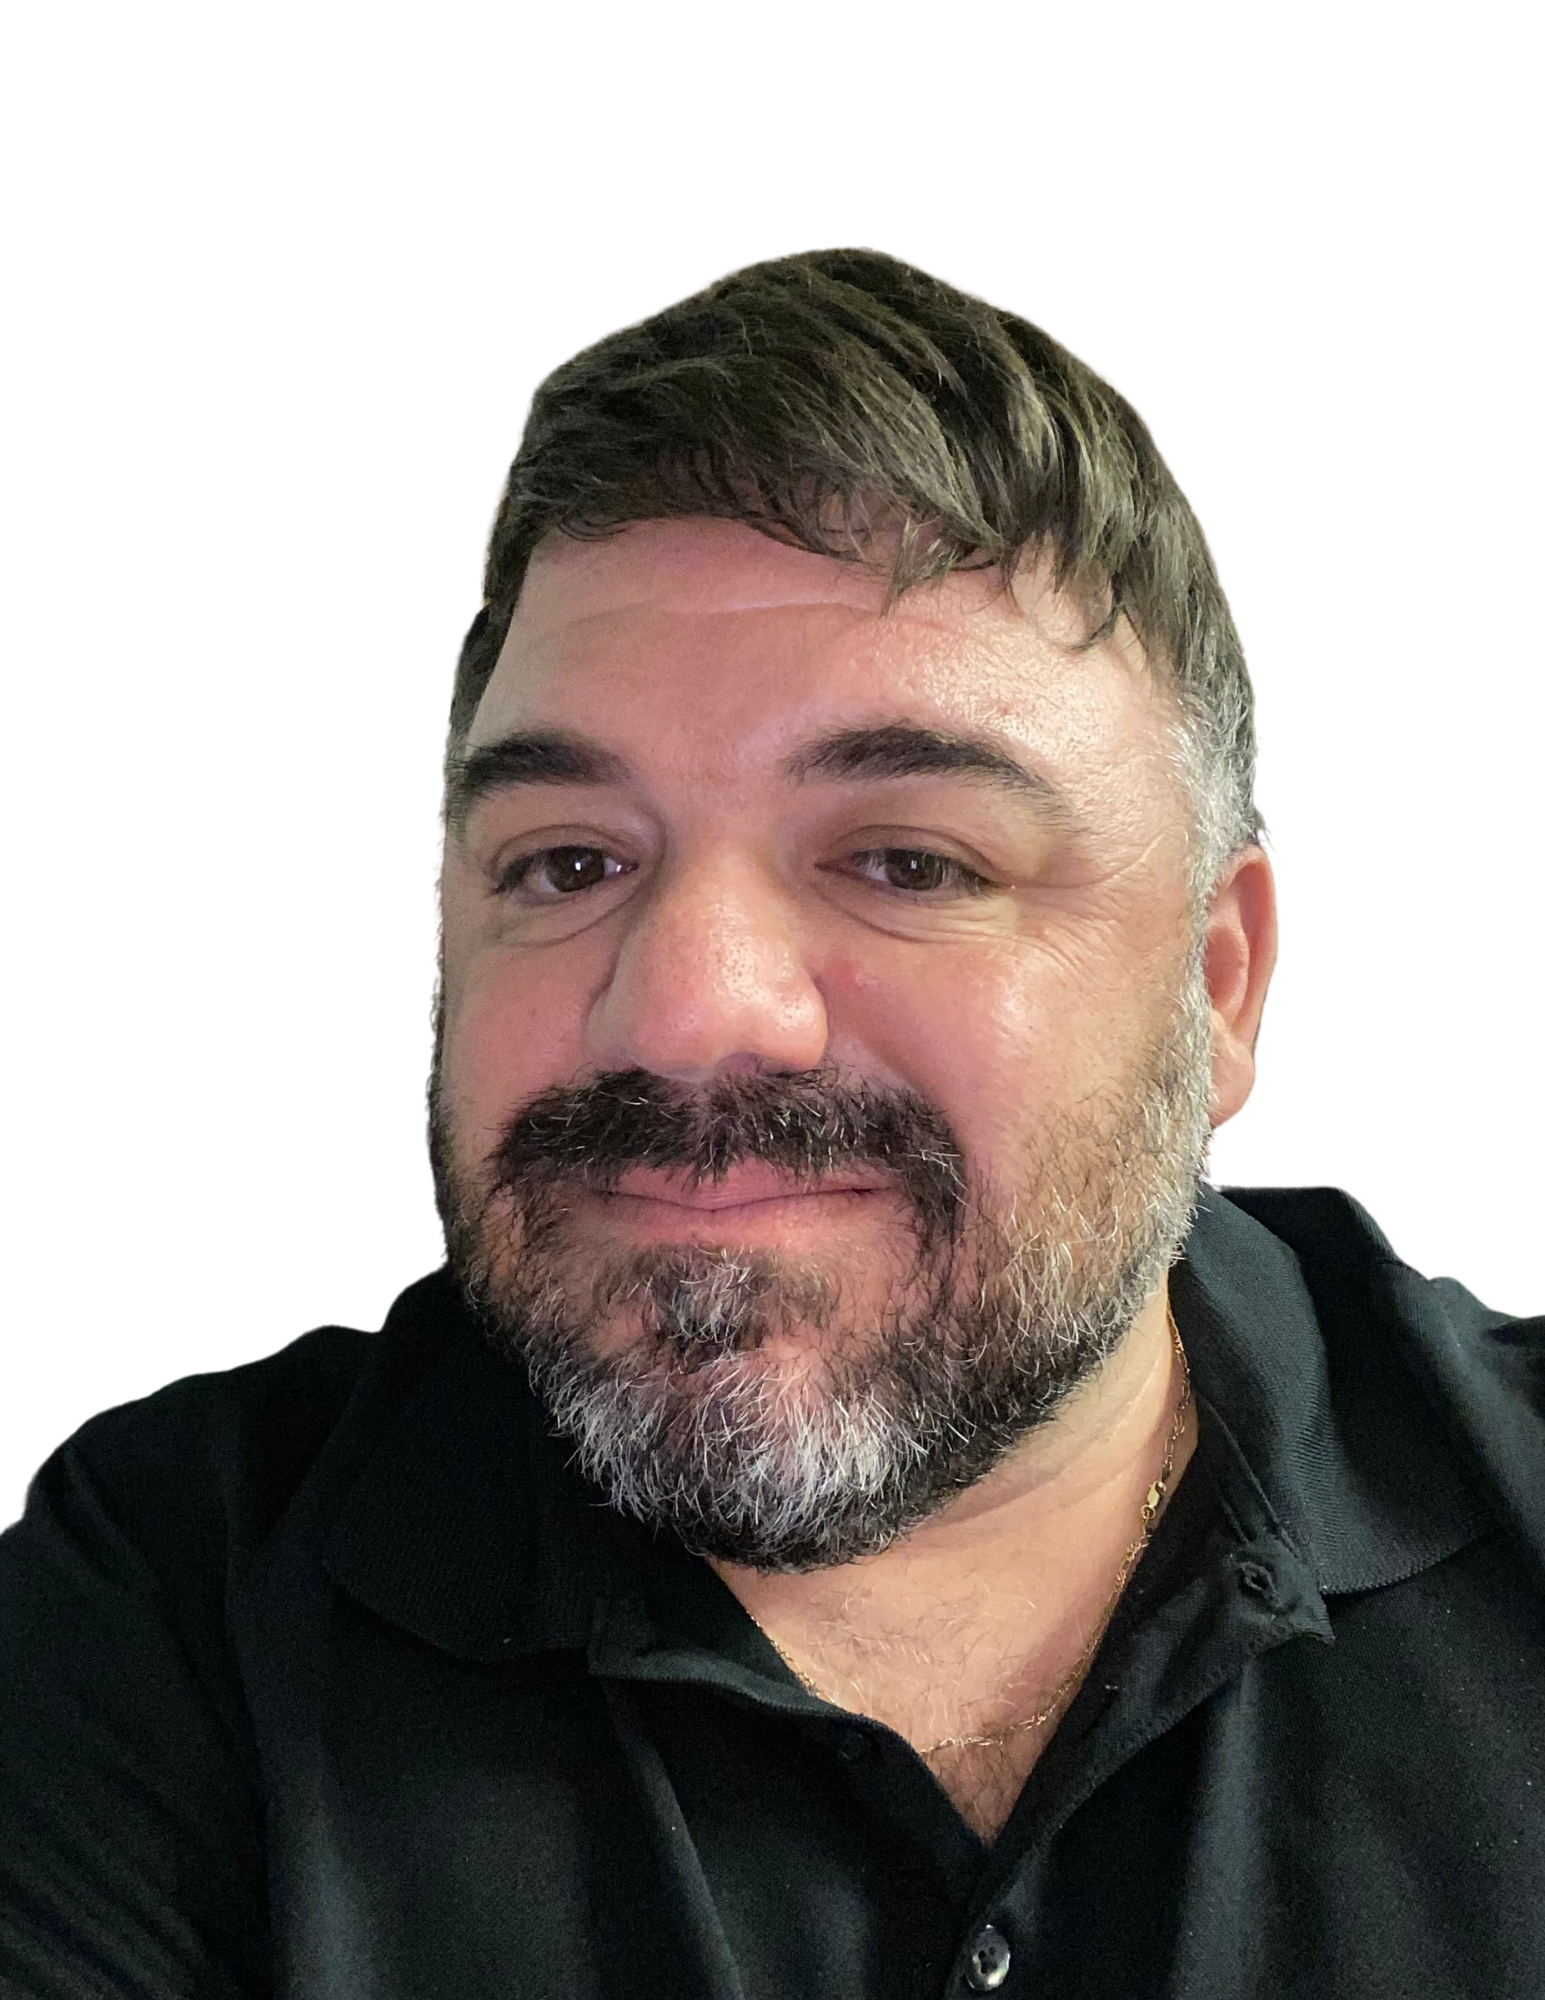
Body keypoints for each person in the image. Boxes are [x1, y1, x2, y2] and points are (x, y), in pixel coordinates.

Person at [2, 249, 1540, 2000]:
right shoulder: (167, 1618)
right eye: (569, 863)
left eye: (905, 861)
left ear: (1217, 983)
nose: (681, 1007)